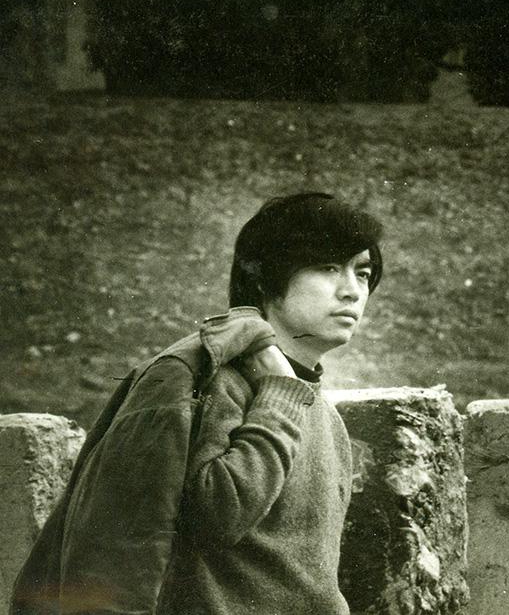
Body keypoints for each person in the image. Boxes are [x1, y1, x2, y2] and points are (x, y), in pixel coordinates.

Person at [11, 192, 382, 615]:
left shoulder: (327, 417)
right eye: (328, 268)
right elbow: (217, 518)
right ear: (264, 278)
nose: (352, 291)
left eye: (363, 273)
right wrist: (279, 392)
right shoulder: (217, 386)